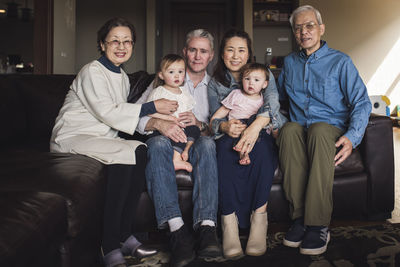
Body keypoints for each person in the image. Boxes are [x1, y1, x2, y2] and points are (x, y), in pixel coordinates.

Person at [50, 17, 178, 267]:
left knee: (139, 149)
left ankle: (123, 234)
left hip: (101, 138)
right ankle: (108, 245)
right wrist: (152, 107)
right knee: (123, 152)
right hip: (73, 136)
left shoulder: (122, 76)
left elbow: (119, 118)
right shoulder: (92, 71)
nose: (121, 46)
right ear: (102, 44)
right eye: (114, 41)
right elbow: (109, 112)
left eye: (127, 41)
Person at [277, 5, 372, 256]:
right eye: (298, 28)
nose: (303, 32)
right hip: (300, 128)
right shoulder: (289, 63)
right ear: (294, 33)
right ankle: (299, 219)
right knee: (288, 131)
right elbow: (274, 98)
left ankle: (318, 224)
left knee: (318, 129)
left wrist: (352, 137)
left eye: (309, 26)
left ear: (321, 28)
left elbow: (362, 102)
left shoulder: (340, 61)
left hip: (329, 128)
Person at [136, 29, 221, 267]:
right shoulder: (159, 84)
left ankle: (207, 228)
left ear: (211, 55)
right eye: (192, 50)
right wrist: (158, 123)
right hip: (164, 139)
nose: (196, 56)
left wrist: (200, 123)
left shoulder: (215, 86)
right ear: (185, 52)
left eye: (203, 51)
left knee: (206, 143)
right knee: (159, 142)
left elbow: (218, 126)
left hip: (194, 141)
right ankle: (176, 230)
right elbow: (136, 116)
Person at [208, 29, 285, 259]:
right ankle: (228, 224)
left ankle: (259, 220)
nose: (235, 55)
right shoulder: (216, 83)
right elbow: (214, 119)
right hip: (232, 130)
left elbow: (273, 109)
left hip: (260, 128)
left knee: (262, 151)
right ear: (222, 54)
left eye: (241, 50)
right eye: (230, 49)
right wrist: (224, 127)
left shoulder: (264, 75)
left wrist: (254, 128)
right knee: (224, 152)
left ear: (249, 53)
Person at [146, 54, 200, 172]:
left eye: (180, 71)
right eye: (171, 72)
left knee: (195, 129)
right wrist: (168, 119)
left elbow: (189, 111)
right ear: (161, 75)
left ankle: (185, 150)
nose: (177, 76)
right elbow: (149, 112)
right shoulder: (158, 92)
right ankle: (176, 159)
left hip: (182, 127)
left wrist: (191, 119)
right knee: (177, 132)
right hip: (163, 130)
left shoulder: (184, 92)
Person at [211, 62, 270, 165]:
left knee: (256, 119)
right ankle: (243, 153)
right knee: (238, 129)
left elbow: (268, 118)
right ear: (242, 80)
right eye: (247, 79)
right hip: (238, 126)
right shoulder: (236, 94)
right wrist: (214, 120)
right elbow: (221, 112)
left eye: (256, 80)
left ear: (264, 84)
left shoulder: (264, 100)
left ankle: (244, 151)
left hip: (255, 128)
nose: (251, 83)